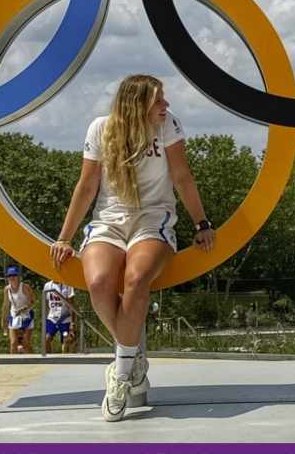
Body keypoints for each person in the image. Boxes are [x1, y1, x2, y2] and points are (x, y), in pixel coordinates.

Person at [50, 74, 215, 421]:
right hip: (109, 219)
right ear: (136, 104)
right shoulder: (100, 129)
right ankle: (135, 358)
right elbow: (87, 185)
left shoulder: (167, 125)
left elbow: (182, 176)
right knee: (97, 283)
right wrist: (65, 236)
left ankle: (122, 374)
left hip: (153, 216)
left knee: (137, 279)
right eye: (158, 100)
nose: (165, 106)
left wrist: (202, 223)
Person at [1, 265, 36, 354]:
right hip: (14, 316)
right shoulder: (7, 289)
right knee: (13, 343)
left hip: (26, 316)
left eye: (14, 276)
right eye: (10, 276)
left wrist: (24, 308)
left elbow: (32, 301)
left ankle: (32, 360)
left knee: (25, 343)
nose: (12, 278)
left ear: (18, 277)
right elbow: (5, 306)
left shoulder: (25, 287)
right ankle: (12, 363)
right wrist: (3, 321)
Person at [42, 280, 77, 356]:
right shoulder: (47, 285)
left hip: (64, 318)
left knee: (66, 340)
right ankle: (49, 358)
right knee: (46, 338)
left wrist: (72, 322)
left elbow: (72, 305)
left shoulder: (67, 285)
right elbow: (46, 304)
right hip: (52, 318)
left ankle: (65, 359)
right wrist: (45, 318)